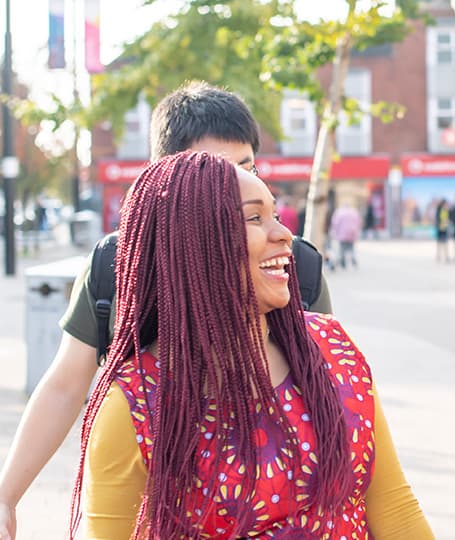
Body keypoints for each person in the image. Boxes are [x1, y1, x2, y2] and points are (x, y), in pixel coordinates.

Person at [0, 81, 333, 540]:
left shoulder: (293, 265)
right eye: (215, 172)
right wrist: (6, 494)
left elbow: (331, 392)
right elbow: (64, 386)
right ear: (166, 180)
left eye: (247, 168)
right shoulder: (117, 266)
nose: (236, 186)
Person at [67, 151, 433, 538]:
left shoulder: (332, 347)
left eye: (275, 215)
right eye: (254, 218)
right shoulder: (137, 405)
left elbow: (394, 506)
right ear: (195, 243)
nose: (283, 233)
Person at [330, 201, 361, 269]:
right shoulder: (354, 212)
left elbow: (335, 223)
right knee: (351, 248)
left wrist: (335, 232)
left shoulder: (339, 212)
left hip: (342, 234)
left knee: (341, 250)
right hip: (352, 234)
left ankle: (337, 262)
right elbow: (358, 222)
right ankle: (353, 258)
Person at [435, 198, 451, 263]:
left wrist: (447, 222)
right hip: (440, 229)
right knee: (439, 243)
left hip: (445, 229)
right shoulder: (439, 210)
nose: (446, 205)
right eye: (445, 204)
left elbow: (448, 219)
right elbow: (438, 219)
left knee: (445, 243)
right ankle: (438, 255)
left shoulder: (447, 210)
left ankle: (446, 256)